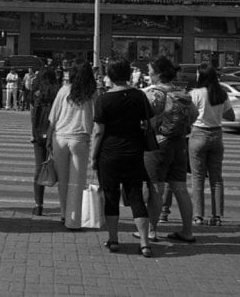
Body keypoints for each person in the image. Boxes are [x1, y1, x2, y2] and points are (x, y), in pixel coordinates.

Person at [91, 58, 156, 257]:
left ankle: (114, 239)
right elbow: (151, 121)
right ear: (128, 75)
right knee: (136, 196)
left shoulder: (103, 99)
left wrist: (94, 156)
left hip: (109, 154)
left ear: (110, 75)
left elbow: (98, 131)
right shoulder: (139, 96)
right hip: (134, 153)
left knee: (111, 197)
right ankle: (144, 243)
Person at [139, 56, 197, 243]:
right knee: (180, 188)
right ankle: (187, 230)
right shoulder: (182, 93)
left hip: (157, 142)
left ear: (158, 74)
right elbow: (194, 116)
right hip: (180, 143)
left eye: (150, 70)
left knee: (155, 187)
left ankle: (151, 230)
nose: (148, 74)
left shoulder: (152, 93)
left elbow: (142, 120)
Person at [47, 62, 97, 229]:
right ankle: (73, 220)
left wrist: (48, 137)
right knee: (77, 181)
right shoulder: (92, 93)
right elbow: (97, 118)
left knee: (63, 180)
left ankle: (63, 214)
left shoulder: (64, 90)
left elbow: (53, 116)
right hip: (80, 138)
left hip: (60, 137)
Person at [188, 63, 232, 227]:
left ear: (201, 76)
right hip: (217, 135)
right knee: (216, 179)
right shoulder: (221, 94)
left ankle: (198, 216)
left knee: (198, 178)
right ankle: (217, 216)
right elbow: (231, 115)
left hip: (199, 133)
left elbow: (189, 114)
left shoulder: (195, 93)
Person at [29, 67, 59, 216]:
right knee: (61, 170)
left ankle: (38, 205)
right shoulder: (58, 92)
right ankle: (66, 208)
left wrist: (33, 133)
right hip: (55, 134)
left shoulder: (36, 93)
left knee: (39, 169)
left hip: (38, 134)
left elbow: (32, 114)